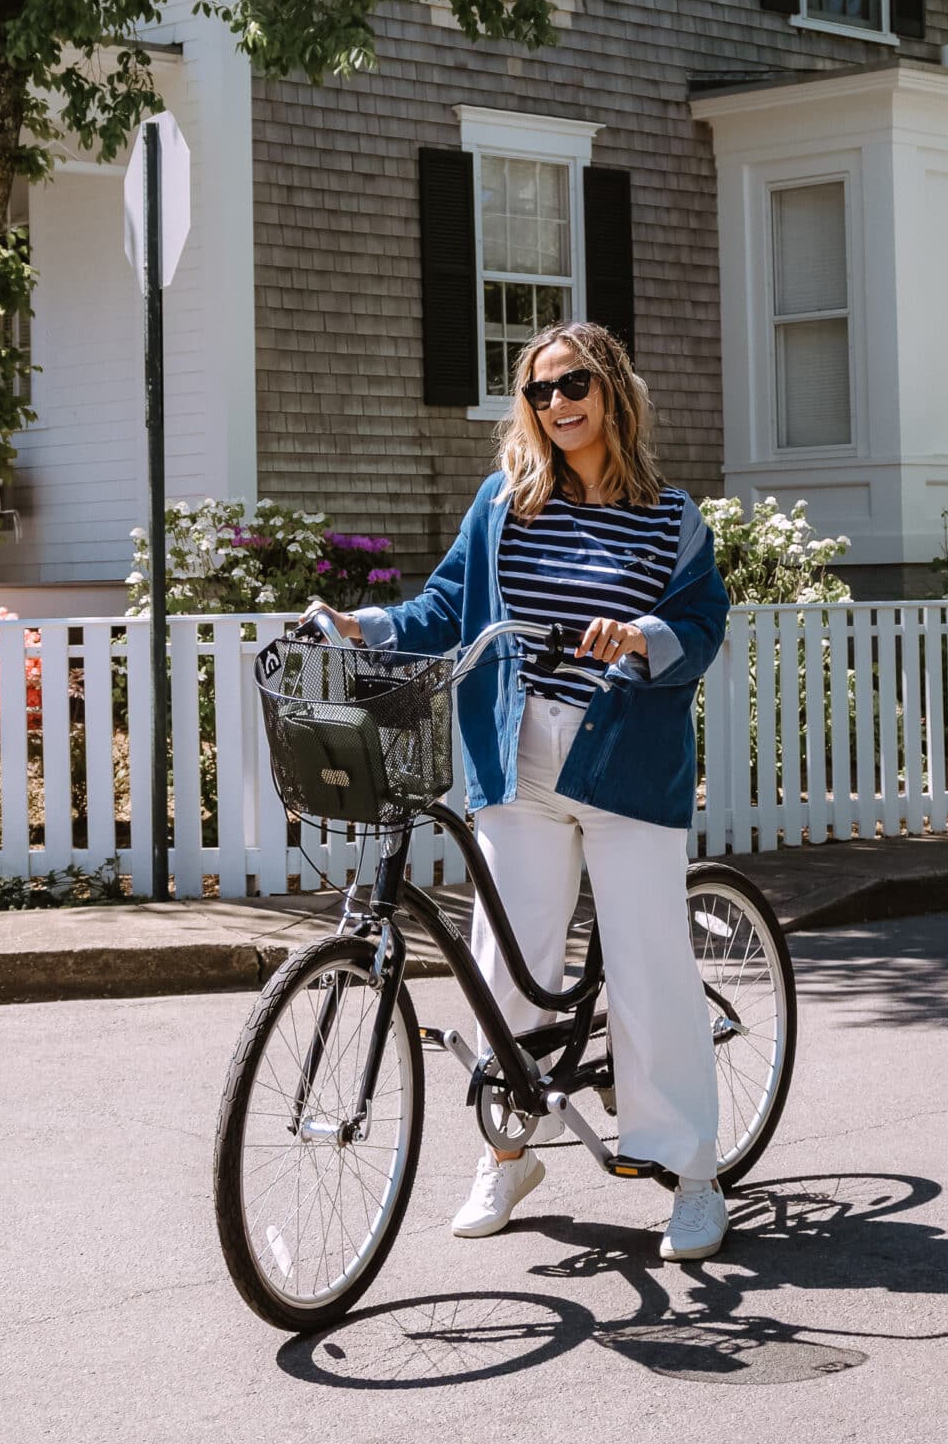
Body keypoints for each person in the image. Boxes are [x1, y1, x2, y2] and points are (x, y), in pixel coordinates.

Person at [308, 321, 732, 1263]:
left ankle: (693, 1174)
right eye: (540, 391)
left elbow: (701, 621)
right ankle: (509, 1149)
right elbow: (446, 606)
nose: (556, 403)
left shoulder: (670, 515)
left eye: (574, 383)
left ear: (611, 388)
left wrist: (641, 638)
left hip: (624, 762)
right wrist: (364, 622)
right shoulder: (507, 501)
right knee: (506, 963)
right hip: (516, 760)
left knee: (649, 968)